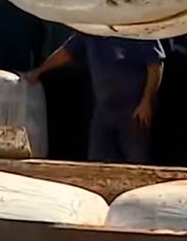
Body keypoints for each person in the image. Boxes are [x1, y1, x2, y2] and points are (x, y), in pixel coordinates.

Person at [27, 33, 164, 164]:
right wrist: (40, 70)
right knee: (98, 160)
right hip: (104, 110)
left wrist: (146, 102)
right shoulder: (92, 29)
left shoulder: (137, 28)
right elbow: (67, 52)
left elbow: (155, 65)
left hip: (134, 111)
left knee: (137, 161)